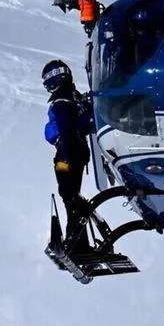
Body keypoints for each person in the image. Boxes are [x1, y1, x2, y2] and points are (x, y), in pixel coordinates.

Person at [42, 60, 91, 246]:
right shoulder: (75, 98)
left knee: (68, 193)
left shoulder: (62, 101)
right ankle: (78, 240)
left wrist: (65, 155)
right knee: (72, 194)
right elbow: (83, 124)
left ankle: (76, 241)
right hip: (78, 153)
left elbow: (66, 128)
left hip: (66, 155)